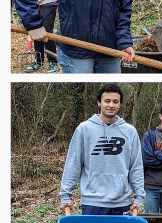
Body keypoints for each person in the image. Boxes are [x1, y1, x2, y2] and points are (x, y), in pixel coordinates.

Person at [59, 83, 145, 215]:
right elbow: (73, 163)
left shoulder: (130, 131)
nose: (111, 105)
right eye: (107, 101)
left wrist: (139, 197)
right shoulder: (84, 129)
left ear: (120, 104)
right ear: (99, 102)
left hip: (121, 203)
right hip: (92, 202)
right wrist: (65, 195)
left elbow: (136, 166)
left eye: (115, 101)